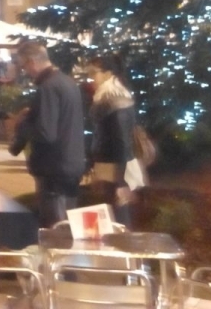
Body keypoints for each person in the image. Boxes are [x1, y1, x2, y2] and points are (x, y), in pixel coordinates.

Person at [9, 41, 86, 227]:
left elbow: (46, 133)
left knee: (56, 230)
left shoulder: (48, 87)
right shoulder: (67, 82)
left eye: (24, 65)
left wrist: (21, 123)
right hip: (70, 165)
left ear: (32, 62)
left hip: (54, 170)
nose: (25, 71)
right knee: (69, 227)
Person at [86, 54, 143, 227]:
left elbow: (121, 141)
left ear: (108, 73)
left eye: (93, 73)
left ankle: (123, 251)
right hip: (110, 167)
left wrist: (121, 182)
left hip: (116, 170)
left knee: (118, 219)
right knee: (112, 218)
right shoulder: (107, 96)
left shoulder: (114, 98)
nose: (91, 78)